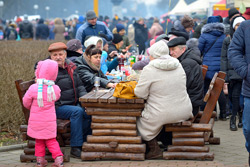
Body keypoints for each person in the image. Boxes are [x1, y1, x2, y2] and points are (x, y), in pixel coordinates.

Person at [135, 40, 193, 159]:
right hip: (184, 110)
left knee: (140, 121)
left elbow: (140, 93)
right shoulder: (178, 64)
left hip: (162, 113)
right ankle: (166, 142)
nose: (149, 57)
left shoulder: (149, 69)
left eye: (150, 54)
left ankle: (154, 149)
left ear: (154, 55)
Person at [48, 42, 90, 158]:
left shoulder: (70, 66)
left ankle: (86, 141)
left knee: (89, 111)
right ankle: (75, 147)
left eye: (60, 54)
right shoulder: (48, 69)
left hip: (72, 103)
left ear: (65, 55)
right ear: (51, 57)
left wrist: (85, 100)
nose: (58, 57)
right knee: (77, 112)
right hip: (56, 106)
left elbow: (80, 86)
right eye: (55, 55)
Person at [23, 59, 64, 167]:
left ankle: (40, 161)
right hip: (49, 121)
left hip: (36, 121)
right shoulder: (55, 88)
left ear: (38, 71)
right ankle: (59, 159)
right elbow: (57, 97)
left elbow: (26, 101)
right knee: (51, 141)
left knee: (39, 141)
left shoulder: (33, 88)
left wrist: (31, 107)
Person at [228, 19, 250, 165]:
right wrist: (246, 72)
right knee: (248, 129)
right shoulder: (246, 26)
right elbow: (233, 51)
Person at [198, 16, 227, 120]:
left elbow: (198, 51)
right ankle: (223, 114)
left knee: (207, 90)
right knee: (219, 90)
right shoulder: (224, 36)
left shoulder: (204, 36)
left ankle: (212, 114)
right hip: (220, 66)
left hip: (207, 67)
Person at [221, 16, 245, 131]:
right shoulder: (228, 40)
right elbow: (224, 58)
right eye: (237, 25)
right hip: (231, 73)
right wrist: (224, 74)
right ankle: (239, 117)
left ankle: (233, 119)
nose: (239, 27)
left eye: (241, 24)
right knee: (231, 96)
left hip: (241, 72)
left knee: (236, 96)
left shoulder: (247, 38)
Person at [168, 37, 203, 116]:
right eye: (170, 50)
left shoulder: (187, 64)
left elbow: (181, 86)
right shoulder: (185, 59)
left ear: (183, 49)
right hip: (189, 102)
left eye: (173, 49)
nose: (171, 53)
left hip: (190, 106)